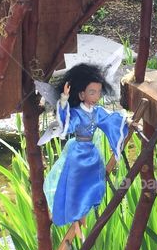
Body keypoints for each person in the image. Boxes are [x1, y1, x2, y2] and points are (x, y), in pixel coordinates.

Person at [39, 63, 129, 228]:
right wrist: (64, 100)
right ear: (81, 94)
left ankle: (84, 215)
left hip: (92, 154)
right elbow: (67, 124)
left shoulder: (97, 112)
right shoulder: (77, 113)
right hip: (78, 153)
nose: (96, 96)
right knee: (74, 187)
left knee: (92, 184)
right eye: (92, 92)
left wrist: (126, 122)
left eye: (98, 92)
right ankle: (75, 220)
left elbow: (110, 120)